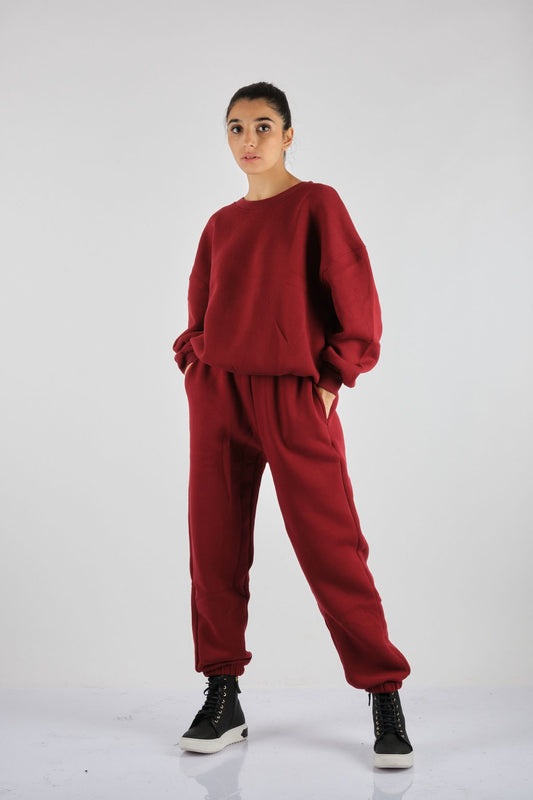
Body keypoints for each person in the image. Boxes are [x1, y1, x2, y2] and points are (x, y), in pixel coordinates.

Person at [172, 81, 414, 769]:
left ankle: (384, 692)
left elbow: (356, 297)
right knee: (213, 544)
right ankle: (223, 693)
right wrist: (195, 364)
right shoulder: (220, 224)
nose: (248, 140)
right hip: (220, 395)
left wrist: (333, 379)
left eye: (262, 126)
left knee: (331, 545)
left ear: (287, 134)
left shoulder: (316, 205)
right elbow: (199, 309)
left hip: (294, 394)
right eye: (235, 128)